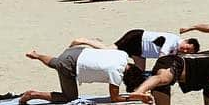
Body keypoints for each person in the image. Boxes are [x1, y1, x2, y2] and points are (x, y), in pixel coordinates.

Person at [18, 44, 146, 105]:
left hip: (76, 52)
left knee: (57, 62)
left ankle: (37, 55)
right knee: (69, 97)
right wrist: (135, 97)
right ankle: (33, 94)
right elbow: (114, 98)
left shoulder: (122, 55)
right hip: (70, 64)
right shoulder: (116, 73)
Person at [71, 29, 199, 72]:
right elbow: (162, 56)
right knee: (109, 50)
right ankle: (84, 41)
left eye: (188, 52)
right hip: (135, 39)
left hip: (141, 51)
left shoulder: (177, 49)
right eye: (187, 48)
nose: (185, 51)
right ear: (186, 41)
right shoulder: (172, 41)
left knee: (140, 72)